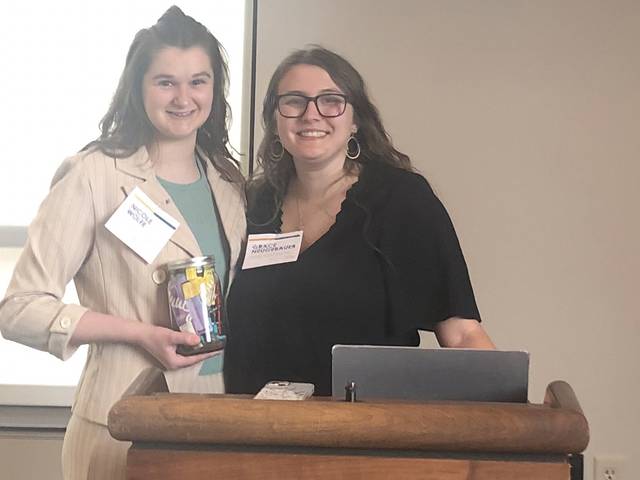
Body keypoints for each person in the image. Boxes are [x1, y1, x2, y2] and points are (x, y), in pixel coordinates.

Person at [0, 6, 245, 480]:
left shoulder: (230, 185)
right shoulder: (94, 174)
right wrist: (140, 334)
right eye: (165, 82)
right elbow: (18, 309)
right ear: (138, 87)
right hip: (118, 424)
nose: (183, 97)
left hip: (210, 425)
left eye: (198, 81)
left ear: (215, 90)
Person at [224, 46, 495, 396]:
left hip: (362, 436)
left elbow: (461, 334)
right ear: (275, 119)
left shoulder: (401, 200)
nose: (312, 114)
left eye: (331, 101)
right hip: (251, 432)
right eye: (294, 101)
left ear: (355, 120)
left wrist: (515, 413)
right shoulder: (252, 205)